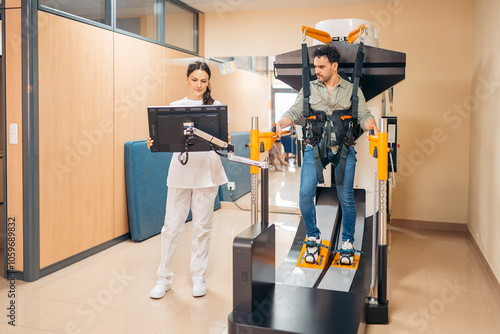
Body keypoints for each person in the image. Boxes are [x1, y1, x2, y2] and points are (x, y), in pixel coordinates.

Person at [276, 45, 378, 265]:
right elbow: (295, 111)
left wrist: (372, 126)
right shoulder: (309, 88)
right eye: (315, 67)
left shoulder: (352, 90)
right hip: (315, 148)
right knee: (304, 194)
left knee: (346, 197)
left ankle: (347, 242)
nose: (317, 71)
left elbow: (364, 115)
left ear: (334, 66)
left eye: (321, 67)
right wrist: (283, 121)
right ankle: (312, 236)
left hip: (344, 149)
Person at [148, 61, 228, 298]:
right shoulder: (174, 107)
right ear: (187, 79)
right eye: (195, 80)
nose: (199, 85)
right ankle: (164, 279)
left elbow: (223, 142)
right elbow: (162, 138)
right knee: (171, 227)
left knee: (202, 228)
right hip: (180, 173)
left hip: (207, 172)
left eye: (203, 81)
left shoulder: (216, 107)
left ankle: (198, 276)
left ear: (208, 82)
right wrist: (152, 141)